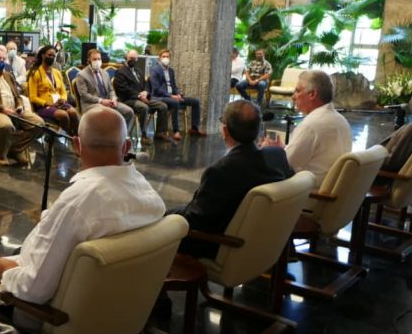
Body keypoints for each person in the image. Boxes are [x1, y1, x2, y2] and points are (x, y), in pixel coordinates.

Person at [0, 107, 166, 306]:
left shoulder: (77, 203)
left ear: (77, 145)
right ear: (126, 146)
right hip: (115, 302)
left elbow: (35, 290)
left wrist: (2, 271)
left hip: (50, 315)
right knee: (14, 253)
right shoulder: (149, 195)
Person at [169, 100, 293, 258]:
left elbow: (196, 221)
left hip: (222, 245)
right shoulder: (277, 156)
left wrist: (168, 217)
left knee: (165, 225)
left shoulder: (221, 171)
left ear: (225, 130)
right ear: (258, 128)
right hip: (263, 241)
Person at [262, 70, 351, 186]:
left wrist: (268, 151)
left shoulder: (311, 125)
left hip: (310, 194)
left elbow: (287, 164)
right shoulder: (340, 120)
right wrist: (282, 149)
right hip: (330, 188)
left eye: (298, 91)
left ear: (312, 94)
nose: (293, 97)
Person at [0, 48, 44, 166]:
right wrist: (3, 109)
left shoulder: (8, 75)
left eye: (3, 59)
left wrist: (20, 106)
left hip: (14, 110)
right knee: (6, 125)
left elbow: (17, 96)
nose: (1, 61)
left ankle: (15, 150)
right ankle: (0, 157)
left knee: (39, 123)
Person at [114, 49, 170, 144]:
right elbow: (123, 89)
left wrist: (146, 92)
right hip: (128, 99)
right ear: (126, 58)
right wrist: (139, 96)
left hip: (142, 98)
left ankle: (160, 133)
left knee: (162, 106)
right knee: (143, 107)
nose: (133, 60)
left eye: (135, 58)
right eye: (131, 58)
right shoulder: (120, 71)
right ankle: (144, 135)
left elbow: (146, 84)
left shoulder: (138, 70)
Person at [149, 49, 205, 140]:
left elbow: (174, 85)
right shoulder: (154, 70)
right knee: (175, 102)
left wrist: (178, 93)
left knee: (196, 101)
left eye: (168, 57)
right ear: (159, 58)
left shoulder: (171, 71)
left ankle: (195, 128)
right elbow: (156, 89)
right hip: (159, 97)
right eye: (164, 56)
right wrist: (171, 96)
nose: (166, 58)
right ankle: (176, 131)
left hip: (173, 96)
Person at [27, 45, 80, 136]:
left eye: (53, 56)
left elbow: (63, 91)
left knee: (73, 112)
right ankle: (68, 137)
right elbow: (33, 97)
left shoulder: (57, 72)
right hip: (44, 105)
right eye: (49, 55)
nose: (51, 57)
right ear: (43, 55)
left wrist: (63, 99)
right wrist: (47, 103)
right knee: (63, 115)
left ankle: (77, 137)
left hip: (59, 102)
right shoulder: (35, 73)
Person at [75, 49, 134, 129]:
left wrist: (113, 98)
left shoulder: (105, 73)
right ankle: (107, 136)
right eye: (94, 59)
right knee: (108, 112)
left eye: (99, 59)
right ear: (89, 60)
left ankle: (121, 136)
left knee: (129, 111)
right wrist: (101, 101)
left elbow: (111, 90)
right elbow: (84, 95)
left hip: (108, 102)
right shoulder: (81, 75)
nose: (97, 61)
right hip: (90, 104)